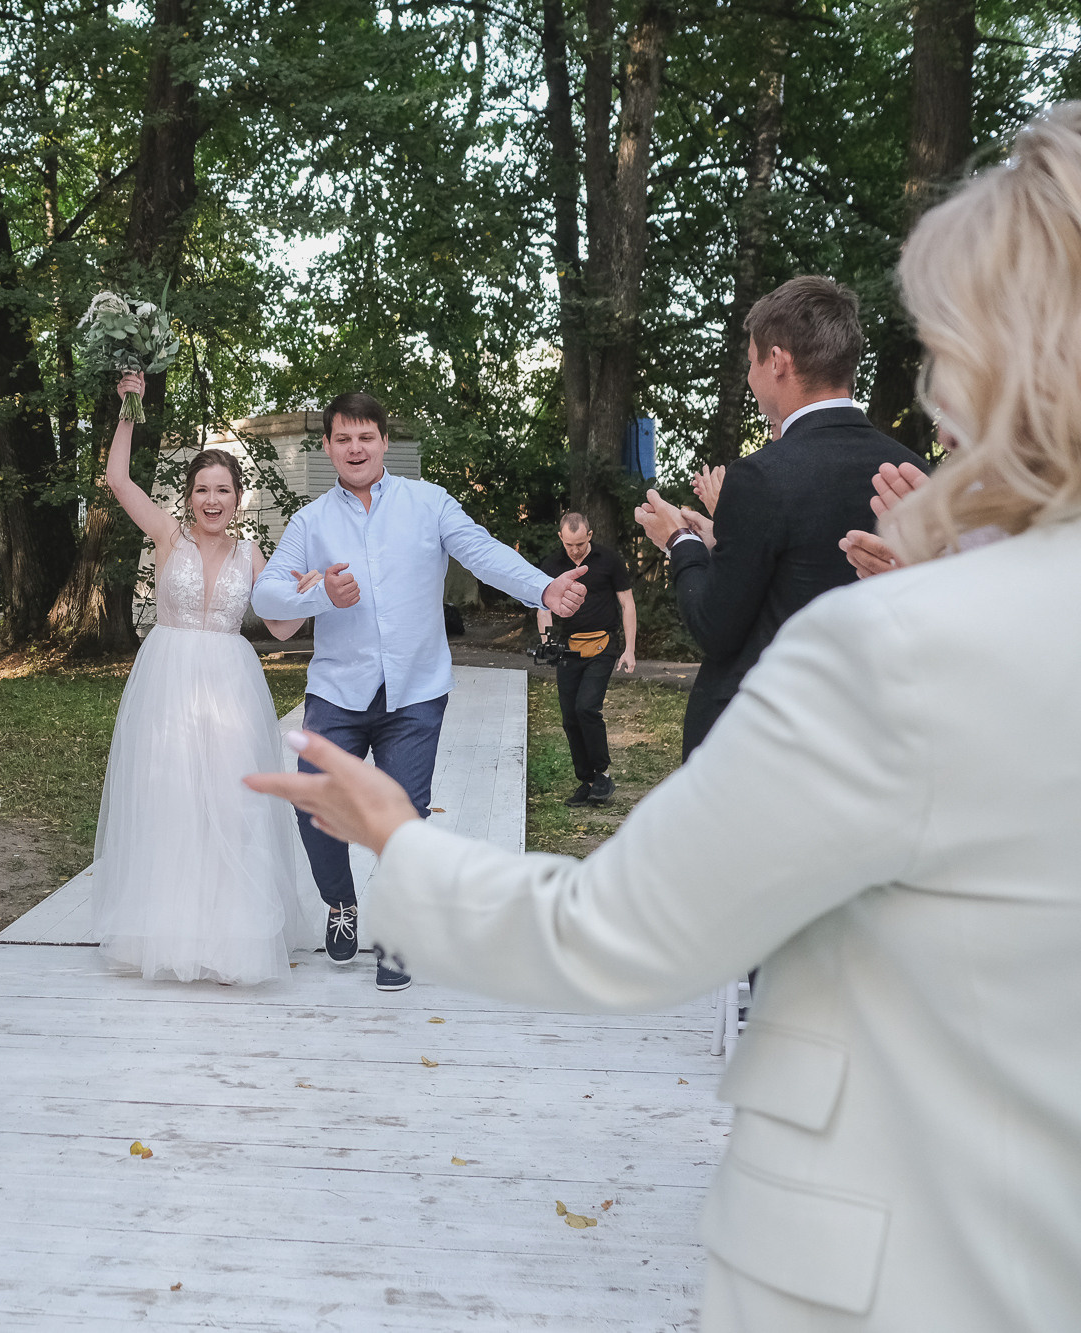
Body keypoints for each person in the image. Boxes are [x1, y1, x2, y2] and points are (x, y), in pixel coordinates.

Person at [249, 102, 1081, 1333]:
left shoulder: (893, 649)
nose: (927, 380)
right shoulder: (943, 611)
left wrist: (398, 841)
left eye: (942, 343)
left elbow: (610, 933)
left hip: (895, 1266)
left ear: (1003, 365)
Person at [250, 392, 588, 991]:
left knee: (405, 817)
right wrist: (321, 594)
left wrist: (543, 590)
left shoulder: (429, 504)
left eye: (367, 437)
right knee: (312, 799)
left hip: (415, 692)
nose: (356, 448)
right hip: (336, 690)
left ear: (384, 443)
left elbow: (482, 553)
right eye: (343, 439)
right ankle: (340, 904)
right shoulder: (310, 523)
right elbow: (268, 597)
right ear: (327, 447)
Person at [87, 369, 319, 984]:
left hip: (231, 684)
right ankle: (169, 932)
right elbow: (116, 479)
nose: (212, 499)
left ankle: (229, 937)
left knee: (231, 803)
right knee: (172, 801)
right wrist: (129, 409)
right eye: (201, 489)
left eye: (223, 489)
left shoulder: (252, 554)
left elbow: (281, 630)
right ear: (188, 496)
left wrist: (308, 593)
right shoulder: (166, 536)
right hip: (169, 681)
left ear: (238, 496)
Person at [633, 276, 927, 757]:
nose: (749, 378)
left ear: (777, 362)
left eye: (751, 362)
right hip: (871, 732)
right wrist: (722, 538)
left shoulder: (762, 476)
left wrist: (679, 541)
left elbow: (715, 626)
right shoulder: (913, 470)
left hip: (764, 735)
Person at [534, 512, 636, 807]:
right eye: (569, 545)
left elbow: (627, 603)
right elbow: (543, 607)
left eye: (580, 544)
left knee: (586, 708)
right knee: (569, 716)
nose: (575, 550)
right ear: (561, 538)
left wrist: (630, 649)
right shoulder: (553, 565)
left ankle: (601, 773)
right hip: (569, 647)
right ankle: (588, 781)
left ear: (589, 536)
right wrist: (547, 642)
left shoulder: (609, 560)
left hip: (603, 644)